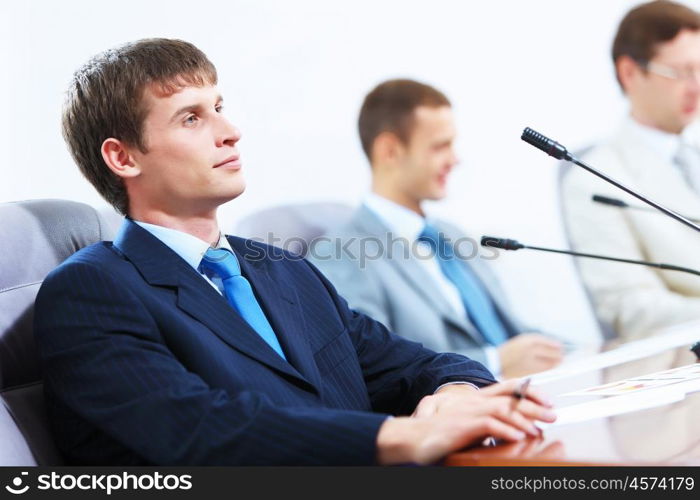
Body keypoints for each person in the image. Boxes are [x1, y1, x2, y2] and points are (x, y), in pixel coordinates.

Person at [33, 38, 555, 466]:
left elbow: (421, 364)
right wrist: (398, 437)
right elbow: (197, 430)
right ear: (122, 157)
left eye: (218, 107)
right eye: (191, 118)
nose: (230, 132)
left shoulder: (283, 269)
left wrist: (456, 397)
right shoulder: (91, 291)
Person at [308, 79, 564, 379]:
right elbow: (371, 369)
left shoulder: (450, 234)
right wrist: (493, 361)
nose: (455, 159)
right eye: (440, 146)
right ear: (389, 150)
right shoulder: (341, 254)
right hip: (464, 408)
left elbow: (515, 337)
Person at [561, 0, 700, 341]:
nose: (696, 85)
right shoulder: (594, 177)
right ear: (630, 73)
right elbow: (631, 310)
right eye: (681, 72)